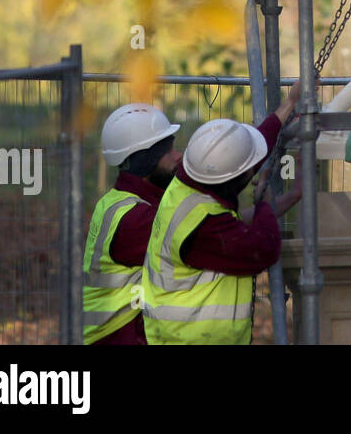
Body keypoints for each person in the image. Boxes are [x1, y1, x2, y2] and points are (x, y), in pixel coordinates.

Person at [141, 85, 302, 345]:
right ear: (232, 182)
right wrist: (264, 201)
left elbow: (241, 155)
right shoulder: (204, 227)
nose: (253, 168)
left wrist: (289, 104)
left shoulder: (188, 181)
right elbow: (264, 249)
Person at [83, 104, 182, 345]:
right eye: (168, 151)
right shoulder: (136, 220)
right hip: (116, 337)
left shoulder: (122, 200)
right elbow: (210, 232)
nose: (178, 155)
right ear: (146, 161)